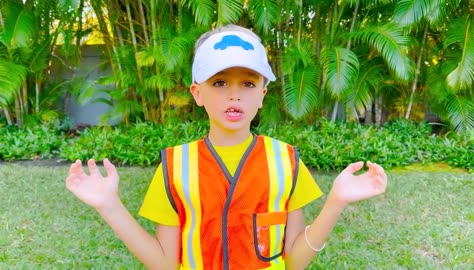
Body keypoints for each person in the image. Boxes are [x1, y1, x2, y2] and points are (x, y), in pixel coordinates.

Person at [66, 24, 387, 270]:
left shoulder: (286, 161)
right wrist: (108, 205)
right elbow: (164, 263)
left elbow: (295, 262)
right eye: (219, 82)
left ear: (262, 95)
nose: (234, 95)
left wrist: (336, 201)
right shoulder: (176, 166)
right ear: (197, 93)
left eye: (248, 83)